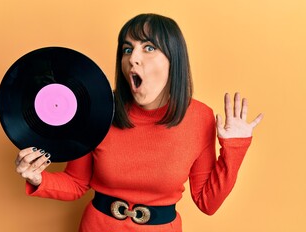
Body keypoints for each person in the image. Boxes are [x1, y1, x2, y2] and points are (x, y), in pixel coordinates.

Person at [15, 13, 263, 232]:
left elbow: (207, 202)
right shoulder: (99, 110)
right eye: (127, 49)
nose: (133, 58)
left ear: (173, 60)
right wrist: (38, 178)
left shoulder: (200, 118)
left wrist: (235, 148)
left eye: (149, 48)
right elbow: (77, 183)